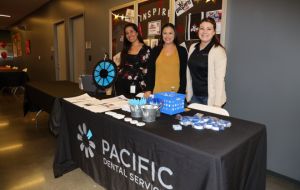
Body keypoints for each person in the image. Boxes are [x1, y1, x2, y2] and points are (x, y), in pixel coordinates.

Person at [186, 17, 227, 107]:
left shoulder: (218, 50)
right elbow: (189, 73)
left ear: (214, 32)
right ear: (198, 31)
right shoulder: (193, 47)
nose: (205, 31)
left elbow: (220, 79)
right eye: (202, 28)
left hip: (210, 99)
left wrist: (217, 104)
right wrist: (188, 94)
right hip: (194, 97)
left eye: (209, 29)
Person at [145, 23, 187, 97]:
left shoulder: (182, 51)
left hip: (175, 94)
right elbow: (150, 72)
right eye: (165, 33)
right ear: (162, 35)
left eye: (170, 33)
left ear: (175, 34)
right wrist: (148, 89)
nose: (167, 36)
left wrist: (181, 93)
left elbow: (184, 74)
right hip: (157, 93)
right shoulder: (155, 50)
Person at [115, 23, 151, 96]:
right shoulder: (125, 50)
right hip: (121, 86)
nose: (129, 35)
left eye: (131, 31)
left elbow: (150, 71)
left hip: (138, 88)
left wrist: (149, 89)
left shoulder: (146, 50)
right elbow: (121, 67)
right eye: (127, 33)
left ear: (137, 33)